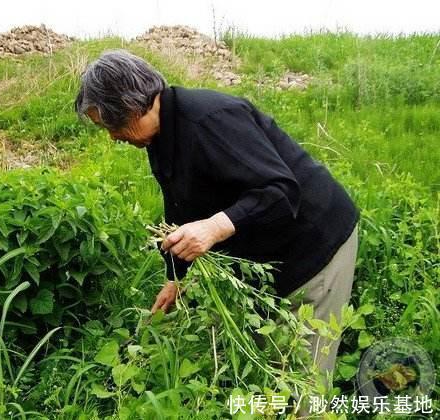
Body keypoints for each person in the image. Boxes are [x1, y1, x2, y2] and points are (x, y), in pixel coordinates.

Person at [75, 49, 359, 382]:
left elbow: (280, 190)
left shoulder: (210, 119)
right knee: (267, 371)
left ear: (133, 105)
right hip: (270, 251)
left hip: (314, 246)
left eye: (110, 123)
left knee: (303, 382)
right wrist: (175, 277)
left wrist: (214, 227)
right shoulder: (162, 135)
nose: (112, 136)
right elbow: (181, 208)